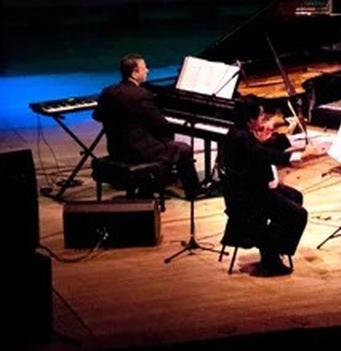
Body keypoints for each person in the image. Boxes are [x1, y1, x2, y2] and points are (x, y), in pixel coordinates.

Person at [219, 97, 310, 277]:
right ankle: (270, 256)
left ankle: (271, 250)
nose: (263, 118)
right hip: (251, 197)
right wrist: (301, 156)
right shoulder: (242, 138)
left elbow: (257, 151)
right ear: (250, 119)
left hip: (248, 190)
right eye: (260, 115)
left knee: (295, 197)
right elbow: (264, 155)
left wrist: (265, 139)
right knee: (299, 215)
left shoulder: (237, 132)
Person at [92, 54, 202, 201]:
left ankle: (148, 189)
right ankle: (193, 192)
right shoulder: (142, 95)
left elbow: (98, 116)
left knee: (166, 145)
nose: (148, 70)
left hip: (116, 150)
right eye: (144, 68)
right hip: (138, 152)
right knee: (183, 149)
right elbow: (162, 125)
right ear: (134, 73)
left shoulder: (108, 91)